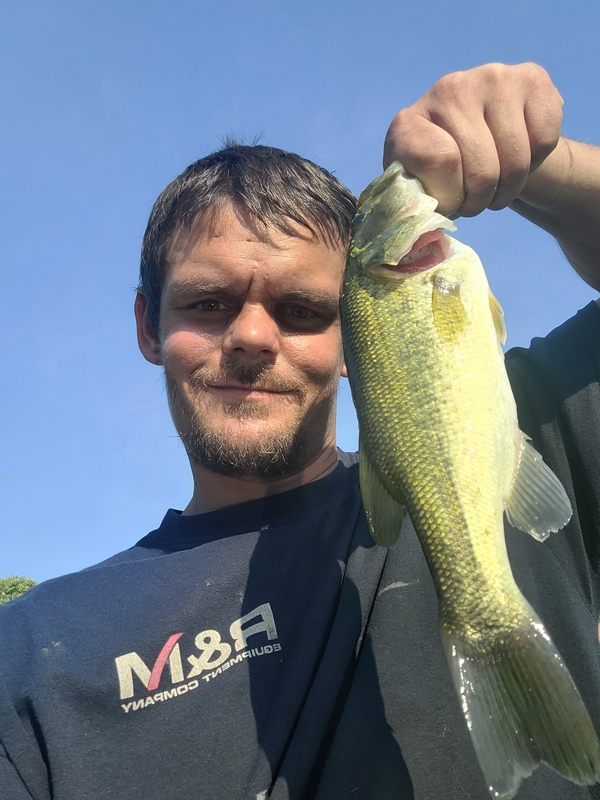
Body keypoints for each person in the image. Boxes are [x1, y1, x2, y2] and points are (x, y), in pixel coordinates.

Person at [1, 62, 599, 800]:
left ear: (355, 342)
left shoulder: (529, 423)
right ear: (148, 327)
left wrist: (542, 166)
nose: (253, 335)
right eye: (210, 302)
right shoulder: (28, 656)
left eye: (304, 310)